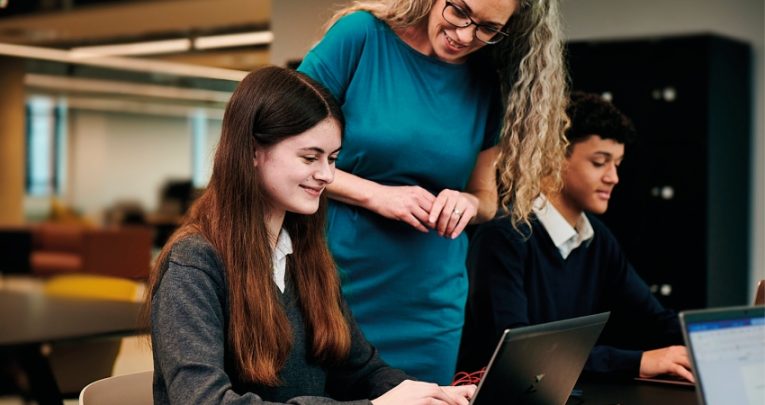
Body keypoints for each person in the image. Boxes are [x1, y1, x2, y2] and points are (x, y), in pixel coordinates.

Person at [145, 66, 476, 404]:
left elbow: (361, 370)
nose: (326, 175)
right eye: (310, 157)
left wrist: (434, 396)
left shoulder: (304, 255)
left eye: (332, 159)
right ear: (252, 152)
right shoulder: (192, 264)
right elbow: (203, 401)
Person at [297, 0, 568, 384]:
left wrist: (467, 203)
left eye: (488, 28)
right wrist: (378, 195)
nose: (465, 35)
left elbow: (485, 198)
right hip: (336, 282)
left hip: (431, 302)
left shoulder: (487, 80)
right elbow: (289, 154)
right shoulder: (360, 37)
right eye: (459, 11)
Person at [458, 92, 694, 382]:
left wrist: (719, 338)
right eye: (599, 162)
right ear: (554, 158)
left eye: (616, 164)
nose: (613, 177)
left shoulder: (597, 238)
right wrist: (639, 362)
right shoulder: (503, 237)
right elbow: (520, 356)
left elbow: (656, 320)